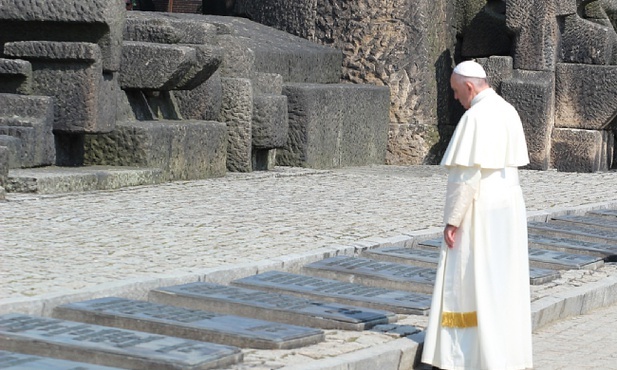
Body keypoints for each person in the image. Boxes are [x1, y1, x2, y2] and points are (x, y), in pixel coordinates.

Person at [421, 60, 533, 370]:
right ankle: (503, 354)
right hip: (508, 207)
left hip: (480, 209)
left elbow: (466, 177)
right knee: (502, 281)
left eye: (457, 92)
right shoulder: (508, 109)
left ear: (469, 87)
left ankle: (464, 355)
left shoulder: (475, 118)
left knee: (469, 279)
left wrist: (452, 220)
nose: (456, 98)